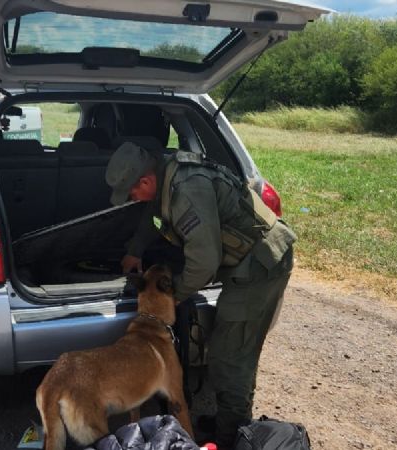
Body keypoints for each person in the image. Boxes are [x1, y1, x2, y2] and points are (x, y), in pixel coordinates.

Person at [105, 142, 297, 448]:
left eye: (131, 193)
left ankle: (231, 436)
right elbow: (150, 216)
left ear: (145, 181)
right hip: (241, 261)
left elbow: (204, 263)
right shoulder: (164, 174)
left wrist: (174, 295)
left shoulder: (186, 190)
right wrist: (134, 251)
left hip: (259, 267)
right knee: (229, 348)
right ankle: (230, 421)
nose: (133, 199)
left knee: (230, 357)